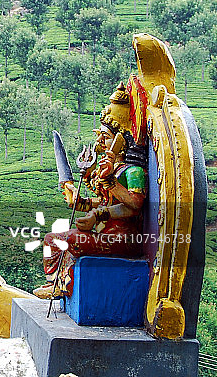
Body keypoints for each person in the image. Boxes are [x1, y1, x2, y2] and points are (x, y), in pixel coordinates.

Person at [34, 82, 148, 299]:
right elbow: (104, 201)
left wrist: (99, 211)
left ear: (120, 141)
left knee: (55, 241)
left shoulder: (133, 171)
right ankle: (58, 283)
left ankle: (57, 284)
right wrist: (82, 203)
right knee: (55, 239)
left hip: (123, 237)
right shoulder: (112, 168)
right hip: (105, 231)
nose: (99, 142)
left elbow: (134, 206)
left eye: (104, 137)